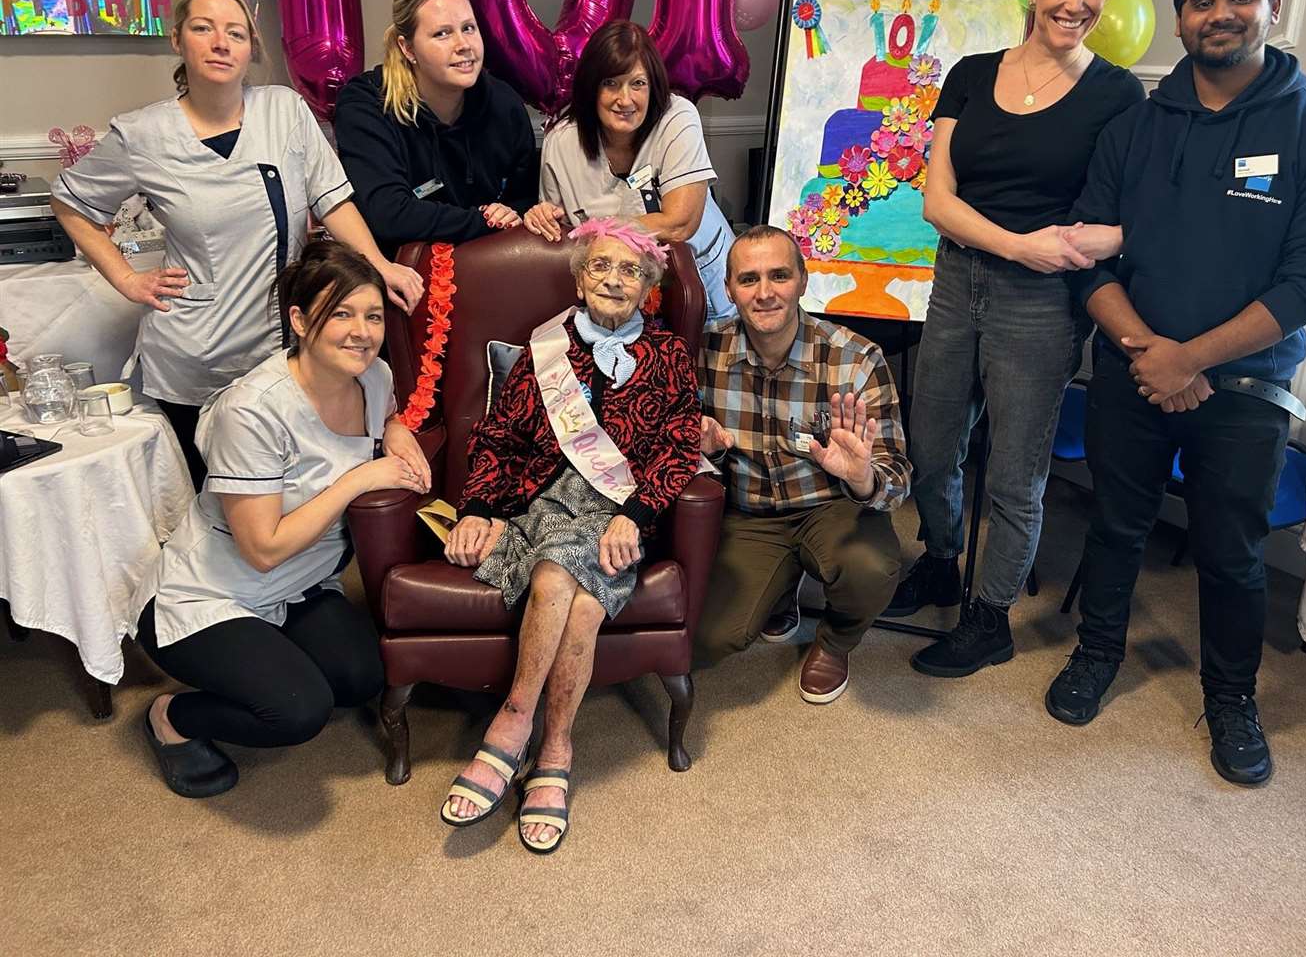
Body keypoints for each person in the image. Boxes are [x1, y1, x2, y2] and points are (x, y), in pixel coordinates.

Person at [1044, 0, 1306, 786]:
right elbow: (1092, 258)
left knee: (1231, 554)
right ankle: (1097, 653)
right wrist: (1150, 351)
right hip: (1130, 369)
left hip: (1246, 390)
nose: (1220, 14)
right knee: (1115, 527)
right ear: (1180, 18)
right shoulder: (1135, 130)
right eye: (1202, 0)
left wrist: (1194, 360)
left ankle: (1231, 698)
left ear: (1270, 7)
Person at [893, 0, 1146, 682]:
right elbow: (939, 200)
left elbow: (1130, 216)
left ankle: (989, 616)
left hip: (1040, 306)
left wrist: (1093, 242)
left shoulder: (1117, 94)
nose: (1076, 1)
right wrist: (1018, 243)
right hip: (957, 281)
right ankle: (941, 559)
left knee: (1014, 473)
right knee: (931, 450)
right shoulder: (970, 72)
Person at [51, 0, 423, 490]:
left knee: (294, 491)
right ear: (178, 40)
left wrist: (380, 265)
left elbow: (332, 199)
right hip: (197, 357)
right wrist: (126, 279)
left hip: (285, 348)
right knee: (220, 505)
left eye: (236, 32)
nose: (221, 43)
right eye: (203, 29)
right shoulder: (142, 136)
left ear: (251, 47)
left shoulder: (285, 111)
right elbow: (70, 202)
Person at [440, 217, 701, 853]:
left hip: (618, 517)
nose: (614, 279)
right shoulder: (543, 352)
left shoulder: (667, 357)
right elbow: (498, 437)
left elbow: (680, 443)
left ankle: (514, 725)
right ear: (580, 277)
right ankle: (552, 747)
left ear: (648, 287)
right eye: (601, 266)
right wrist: (476, 507)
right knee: (577, 594)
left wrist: (636, 515)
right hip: (536, 505)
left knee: (566, 578)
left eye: (630, 271)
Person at [135, 242, 433, 798]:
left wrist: (394, 430)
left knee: (362, 678)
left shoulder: (375, 378)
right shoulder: (251, 411)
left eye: (372, 316)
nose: (362, 331)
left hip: (303, 585)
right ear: (299, 320)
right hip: (212, 593)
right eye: (340, 313)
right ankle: (171, 718)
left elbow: (385, 414)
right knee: (297, 713)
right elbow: (263, 549)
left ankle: (271, 656)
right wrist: (358, 480)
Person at [694, 225, 911, 704]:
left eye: (779, 276)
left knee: (870, 569)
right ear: (728, 289)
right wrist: (705, 450)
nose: (765, 292)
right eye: (748, 279)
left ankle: (835, 641)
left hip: (829, 507)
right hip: (747, 513)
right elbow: (677, 455)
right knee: (708, 641)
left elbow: (897, 478)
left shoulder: (855, 358)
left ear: (804, 280)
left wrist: (860, 477)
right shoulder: (702, 351)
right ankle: (781, 586)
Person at [523, 19, 735, 323]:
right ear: (591, 87)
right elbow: (565, 239)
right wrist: (540, 217)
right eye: (610, 83)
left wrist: (596, 229)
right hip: (620, 297)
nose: (625, 100)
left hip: (705, 282)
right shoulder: (561, 141)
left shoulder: (677, 117)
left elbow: (679, 224)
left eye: (638, 83)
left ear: (653, 85)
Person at [333, 0, 539, 261]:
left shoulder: (504, 103)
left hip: (488, 266)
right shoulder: (367, 104)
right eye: (442, 33)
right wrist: (485, 220)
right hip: (401, 275)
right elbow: (389, 214)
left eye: (469, 28)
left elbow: (526, 198)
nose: (463, 44)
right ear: (408, 48)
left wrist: (510, 213)